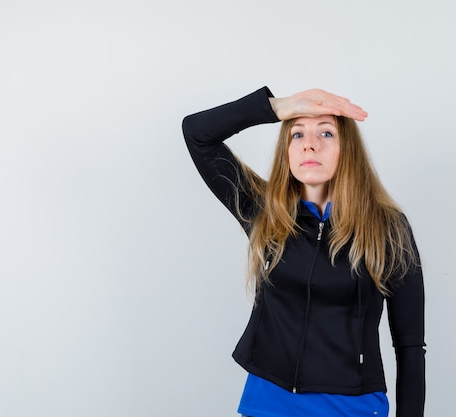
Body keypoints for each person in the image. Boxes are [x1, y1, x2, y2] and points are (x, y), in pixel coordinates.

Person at [182, 86, 425, 417]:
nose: (310, 143)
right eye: (297, 134)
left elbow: (409, 347)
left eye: (326, 132)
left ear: (347, 150)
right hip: (268, 405)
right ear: (287, 150)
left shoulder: (386, 227)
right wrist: (281, 106)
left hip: (352, 408)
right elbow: (197, 133)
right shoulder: (264, 212)